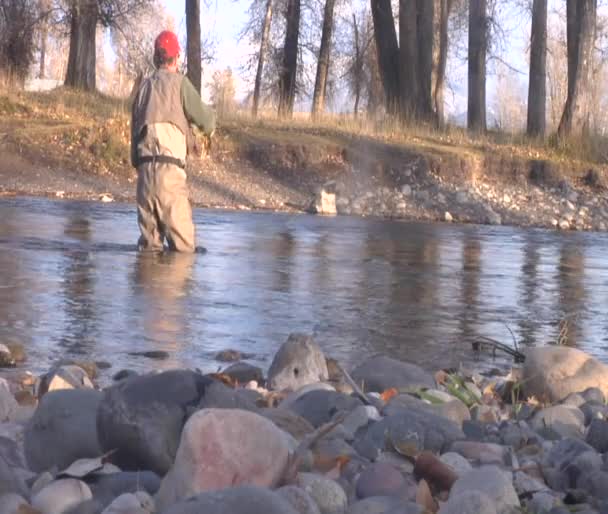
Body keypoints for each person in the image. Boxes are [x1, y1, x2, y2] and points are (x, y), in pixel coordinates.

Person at [131, 30, 216, 253]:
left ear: (155, 58)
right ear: (177, 58)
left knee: (148, 253)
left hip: (144, 179)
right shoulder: (181, 84)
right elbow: (207, 121)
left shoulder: (143, 89)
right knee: (184, 253)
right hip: (170, 176)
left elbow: (133, 144)